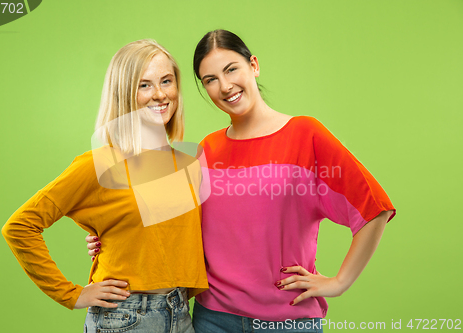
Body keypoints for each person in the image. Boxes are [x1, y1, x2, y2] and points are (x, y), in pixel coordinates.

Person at [88, 30, 396, 333]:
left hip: (288, 321)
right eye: (210, 80)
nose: (224, 86)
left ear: (254, 65)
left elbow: (374, 208)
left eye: (231, 69)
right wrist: (108, 238)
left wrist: (340, 282)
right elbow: (157, 221)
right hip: (212, 319)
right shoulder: (206, 150)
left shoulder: (305, 134)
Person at [2, 39, 208, 333]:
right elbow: (19, 226)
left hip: (181, 313)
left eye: (167, 81)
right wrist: (72, 294)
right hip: (126, 318)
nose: (160, 94)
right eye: (144, 85)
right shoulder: (99, 163)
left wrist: (108, 238)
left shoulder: (184, 162)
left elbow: (166, 237)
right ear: (123, 93)